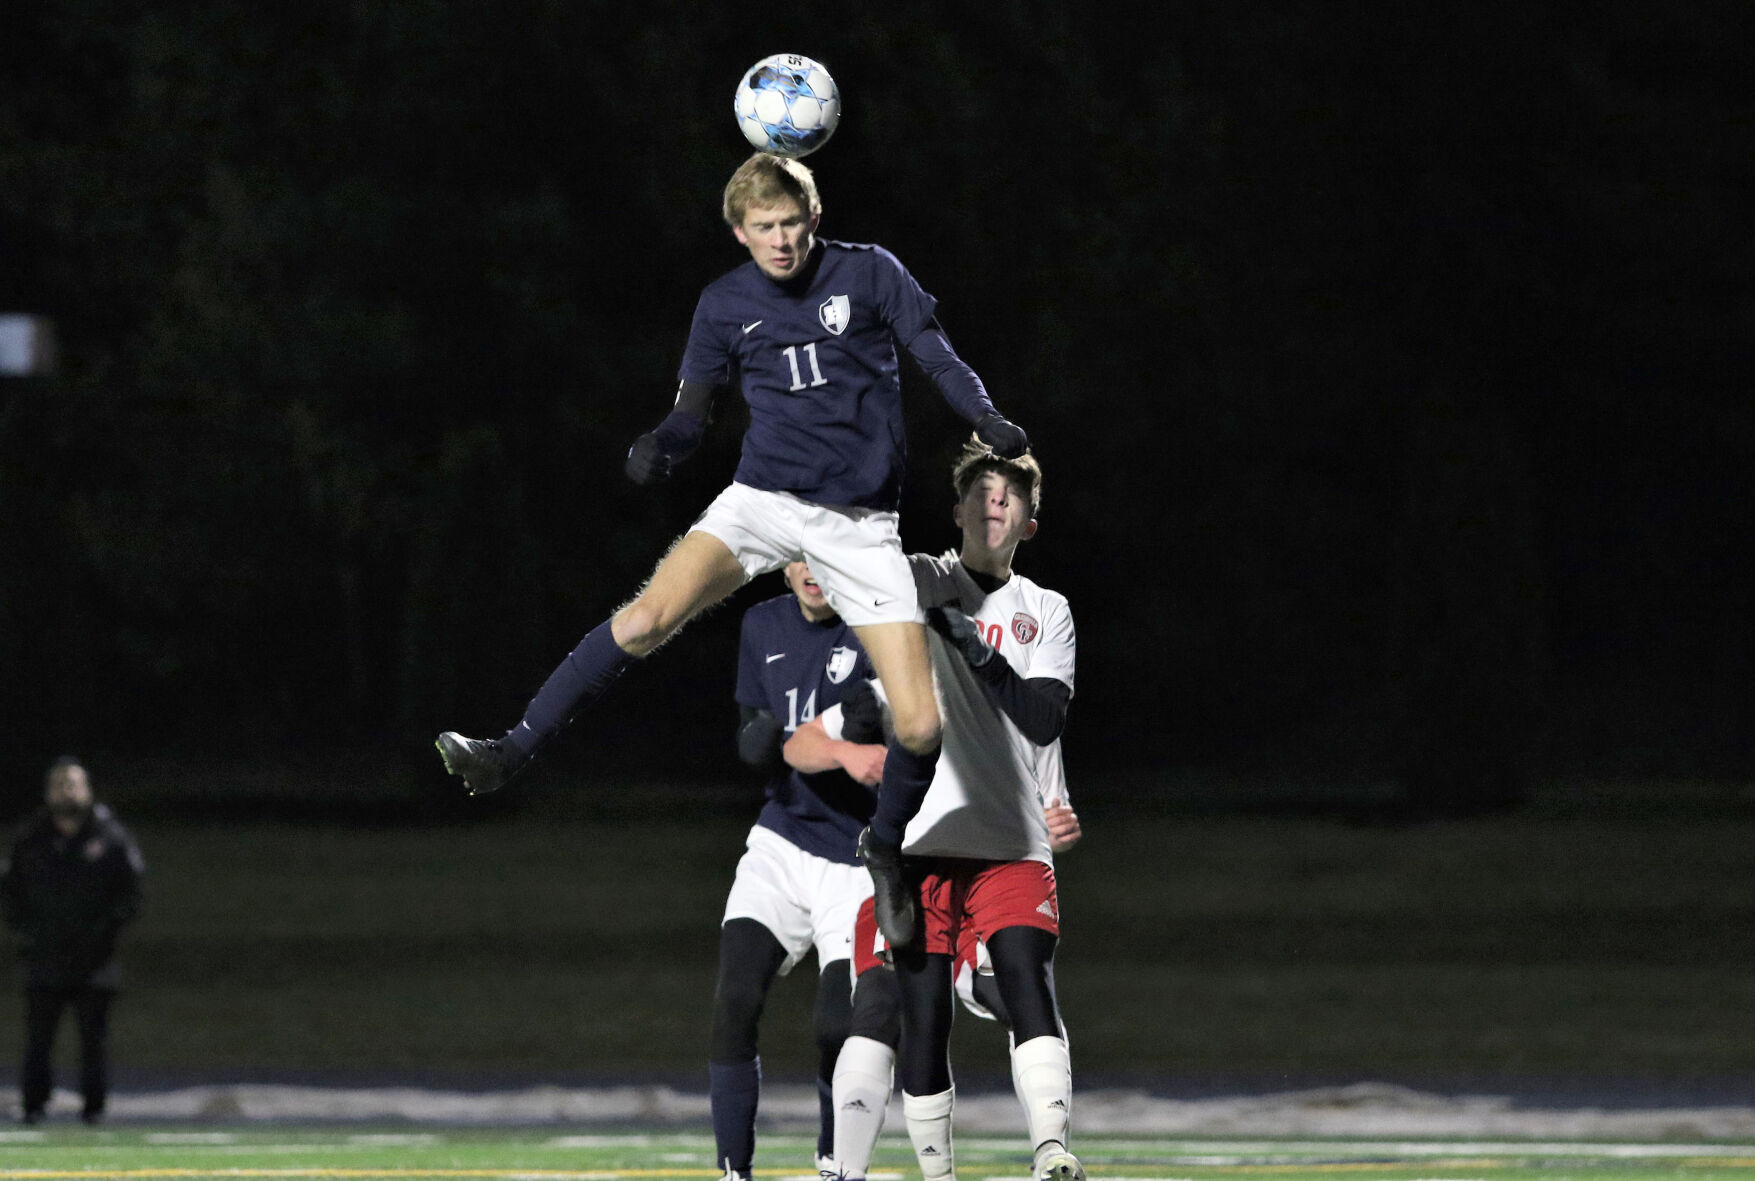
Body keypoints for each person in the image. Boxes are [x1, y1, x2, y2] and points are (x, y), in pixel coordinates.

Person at [435, 152, 1029, 950]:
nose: (780, 240)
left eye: (791, 223)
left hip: (854, 525)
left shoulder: (870, 274)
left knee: (920, 727)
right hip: (760, 502)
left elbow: (935, 355)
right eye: (763, 228)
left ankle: (882, 846)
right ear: (738, 230)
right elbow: (692, 413)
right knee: (646, 617)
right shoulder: (723, 304)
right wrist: (663, 444)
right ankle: (510, 750)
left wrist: (983, 417)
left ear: (813, 219)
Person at [784, 440, 1083, 1181]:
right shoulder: (917, 579)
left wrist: (972, 648)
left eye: (1009, 496)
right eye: (980, 491)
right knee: (921, 1017)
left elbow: (1041, 717)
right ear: (954, 511)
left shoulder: (1044, 609)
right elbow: (854, 553)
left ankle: (1050, 1151)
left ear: (1028, 525)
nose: (993, 501)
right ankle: (933, 1174)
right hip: (916, 846)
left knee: (1025, 977)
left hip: (1010, 837)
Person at [709, 560, 883, 1181]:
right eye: (799, 554)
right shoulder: (762, 625)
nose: (812, 570)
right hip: (782, 845)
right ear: (784, 563)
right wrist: (759, 741)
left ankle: (834, 1163)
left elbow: (876, 723)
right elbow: (758, 737)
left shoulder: (877, 629)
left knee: (839, 1027)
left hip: (857, 862)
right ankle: (735, 1172)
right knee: (734, 1000)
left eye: (824, 553)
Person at [1, 757, 145, 1125]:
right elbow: (9, 891)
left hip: (94, 962)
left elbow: (131, 893)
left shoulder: (111, 837)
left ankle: (94, 1109)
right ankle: (34, 1106)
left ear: (88, 789)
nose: (67, 791)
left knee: (93, 1042)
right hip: (43, 957)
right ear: (48, 792)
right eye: (60, 784)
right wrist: (29, 930)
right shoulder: (30, 838)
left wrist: (102, 932)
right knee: (37, 1040)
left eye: (74, 783)